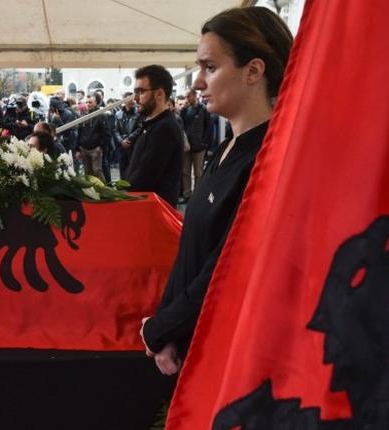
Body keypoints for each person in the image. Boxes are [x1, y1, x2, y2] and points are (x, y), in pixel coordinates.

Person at [140, 6, 293, 375]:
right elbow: (192, 250)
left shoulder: (268, 158)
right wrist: (167, 326)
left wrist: (162, 329)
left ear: (253, 71)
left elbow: (227, 266)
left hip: (232, 353)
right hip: (195, 342)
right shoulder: (225, 148)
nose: (196, 82)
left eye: (210, 67)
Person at [124, 65, 184, 207]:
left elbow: (145, 177)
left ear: (159, 94)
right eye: (135, 92)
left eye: (141, 91)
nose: (136, 98)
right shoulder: (155, 123)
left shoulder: (164, 128)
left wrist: (121, 193)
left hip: (154, 213)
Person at [180, 89, 212, 203]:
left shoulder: (203, 109)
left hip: (199, 146)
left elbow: (208, 127)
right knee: (185, 171)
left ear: (194, 95)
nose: (187, 99)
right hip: (187, 146)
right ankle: (187, 195)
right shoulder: (185, 110)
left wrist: (204, 143)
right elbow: (181, 125)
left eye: (189, 96)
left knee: (198, 172)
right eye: (186, 97)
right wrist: (183, 110)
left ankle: (197, 195)